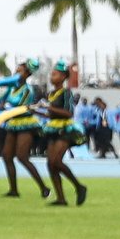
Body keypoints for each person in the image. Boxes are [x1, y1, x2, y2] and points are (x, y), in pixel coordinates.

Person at [0, 63, 48, 199]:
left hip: (25, 123)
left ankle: (44, 188)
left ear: (27, 74)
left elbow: (20, 107)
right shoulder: (11, 87)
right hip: (13, 123)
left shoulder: (28, 90)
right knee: (6, 155)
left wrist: (5, 108)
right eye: (16, 69)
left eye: (20, 70)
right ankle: (13, 190)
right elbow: (0, 99)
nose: (16, 71)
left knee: (22, 157)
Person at [39, 66, 87, 206]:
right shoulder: (51, 93)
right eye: (51, 74)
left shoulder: (66, 92)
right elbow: (51, 114)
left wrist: (47, 106)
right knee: (50, 164)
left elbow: (68, 113)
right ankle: (61, 198)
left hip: (65, 129)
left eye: (55, 74)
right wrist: (37, 111)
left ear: (63, 77)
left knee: (56, 162)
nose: (51, 77)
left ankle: (79, 186)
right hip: (52, 128)